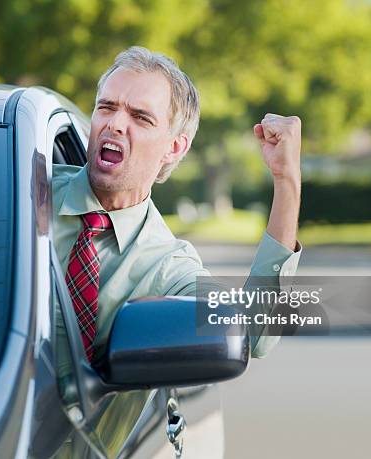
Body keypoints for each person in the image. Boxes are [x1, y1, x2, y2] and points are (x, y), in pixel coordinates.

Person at [52, 46, 301, 362]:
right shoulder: (24, 190)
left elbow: (252, 331)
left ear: (173, 147)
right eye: (106, 107)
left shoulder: (166, 265)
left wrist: (287, 179)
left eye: (140, 117)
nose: (114, 123)